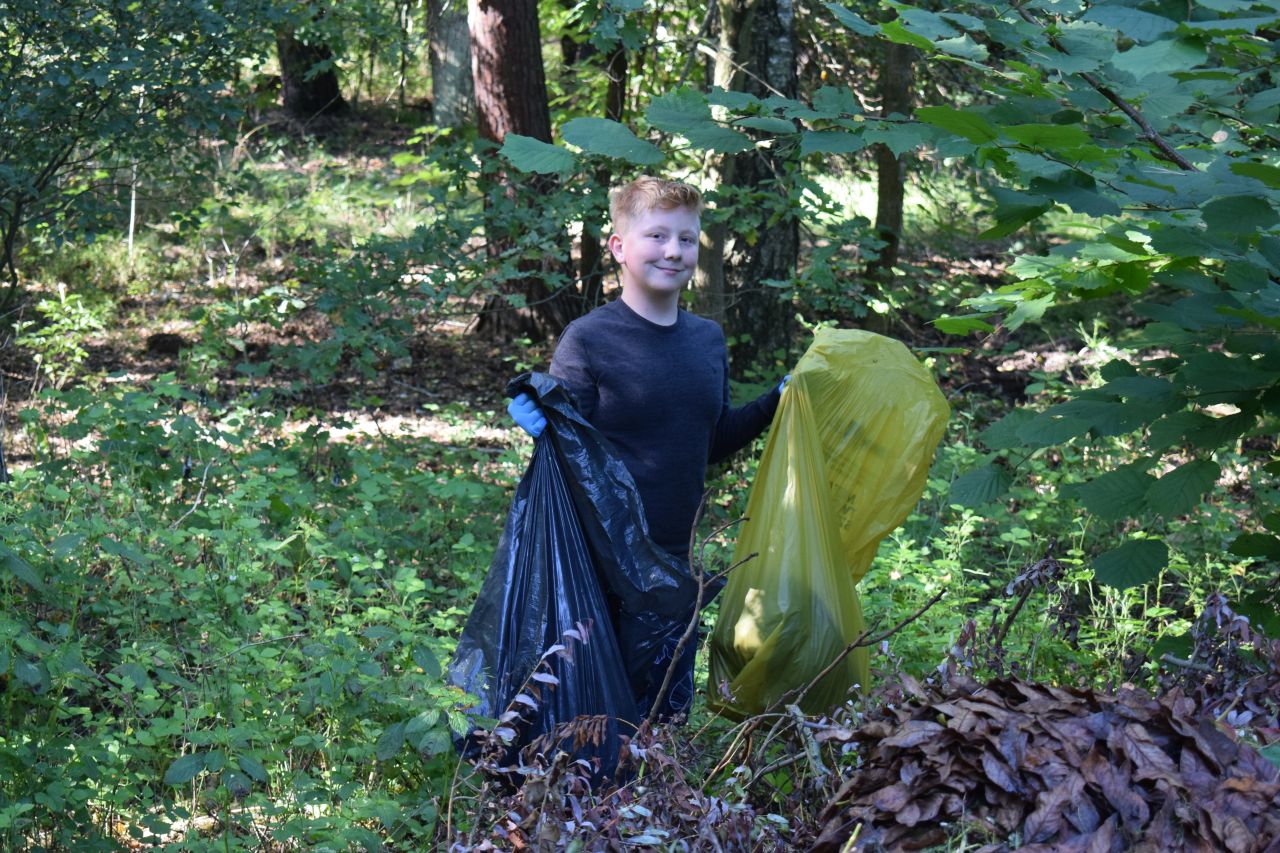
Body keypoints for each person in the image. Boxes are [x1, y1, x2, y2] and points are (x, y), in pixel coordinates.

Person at [507, 176, 785, 721]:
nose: (673, 251)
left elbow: (710, 441)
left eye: (686, 238)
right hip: (599, 563)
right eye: (657, 235)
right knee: (587, 720)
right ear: (619, 246)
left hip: (671, 562)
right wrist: (539, 420)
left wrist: (777, 400)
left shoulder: (707, 339)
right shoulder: (589, 339)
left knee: (660, 719)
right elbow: (570, 451)